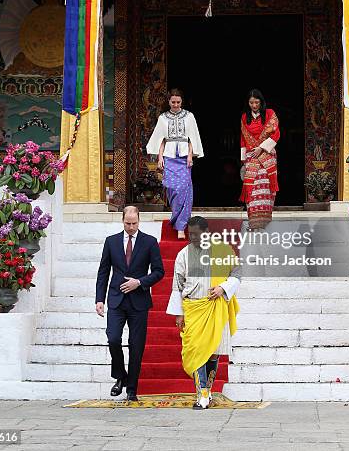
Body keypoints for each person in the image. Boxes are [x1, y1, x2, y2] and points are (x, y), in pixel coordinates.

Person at [166, 216, 241, 409]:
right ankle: (202, 394)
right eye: (191, 235)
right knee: (199, 352)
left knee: (213, 353)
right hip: (194, 308)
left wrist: (223, 288)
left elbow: (237, 273)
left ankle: (206, 391)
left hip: (217, 307)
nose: (194, 238)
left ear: (207, 232)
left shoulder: (222, 250)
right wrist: (179, 314)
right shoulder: (183, 254)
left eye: (197, 235)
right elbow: (177, 285)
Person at [95, 205, 165, 401]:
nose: (131, 227)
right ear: (122, 221)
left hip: (139, 301)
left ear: (139, 221)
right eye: (128, 223)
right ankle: (120, 376)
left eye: (134, 223)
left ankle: (131, 388)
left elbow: (159, 271)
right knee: (113, 339)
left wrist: (140, 282)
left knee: (136, 345)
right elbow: (103, 271)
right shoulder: (111, 242)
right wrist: (99, 299)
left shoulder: (150, 242)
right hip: (116, 300)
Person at [146, 88, 203, 239]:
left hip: (184, 157)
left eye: (178, 102)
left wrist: (191, 156)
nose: (176, 105)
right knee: (172, 188)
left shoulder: (189, 116)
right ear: (169, 102)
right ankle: (176, 217)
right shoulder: (163, 118)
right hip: (169, 156)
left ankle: (181, 226)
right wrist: (160, 158)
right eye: (173, 102)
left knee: (184, 189)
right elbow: (160, 139)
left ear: (181, 101)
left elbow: (192, 139)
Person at [240, 89, 280, 230]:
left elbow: (276, 134)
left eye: (257, 102)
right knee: (251, 189)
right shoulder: (245, 117)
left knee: (266, 189)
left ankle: (265, 222)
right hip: (251, 157)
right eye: (251, 102)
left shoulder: (269, 114)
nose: (254, 105)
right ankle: (253, 222)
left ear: (261, 102)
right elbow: (243, 139)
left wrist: (261, 148)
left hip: (267, 155)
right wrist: (244, 160)